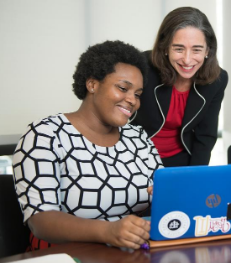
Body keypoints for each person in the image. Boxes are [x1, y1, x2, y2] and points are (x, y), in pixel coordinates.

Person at [12, 40, 164, 250]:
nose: (132, 100)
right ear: (92, 84)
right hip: (66, 255)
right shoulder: (44, 135)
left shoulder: (137, 137)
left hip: (133, 253)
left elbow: (164, 194)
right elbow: (40, 220)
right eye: (123, 88)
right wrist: (108, 231)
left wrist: (164, 197)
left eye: (137, 94)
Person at [131, 7, 228, 167]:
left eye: (196, 49)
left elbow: (206, 135)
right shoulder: (141, 66)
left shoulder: (218, 79)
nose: (187, 60)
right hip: (135, 156)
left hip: (181, 160)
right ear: (165, 47)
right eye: (179, 49)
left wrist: (195, 175)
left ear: (208, 51)